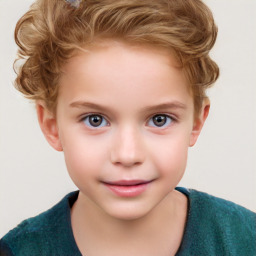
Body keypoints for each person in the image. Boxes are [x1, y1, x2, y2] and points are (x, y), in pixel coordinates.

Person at [0, 0, 255, 255]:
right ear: (52, 126)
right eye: (95, 120)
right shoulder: (17, 250)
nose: (127, 155)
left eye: (159, 119)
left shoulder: (245, 240)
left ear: (196, 122)